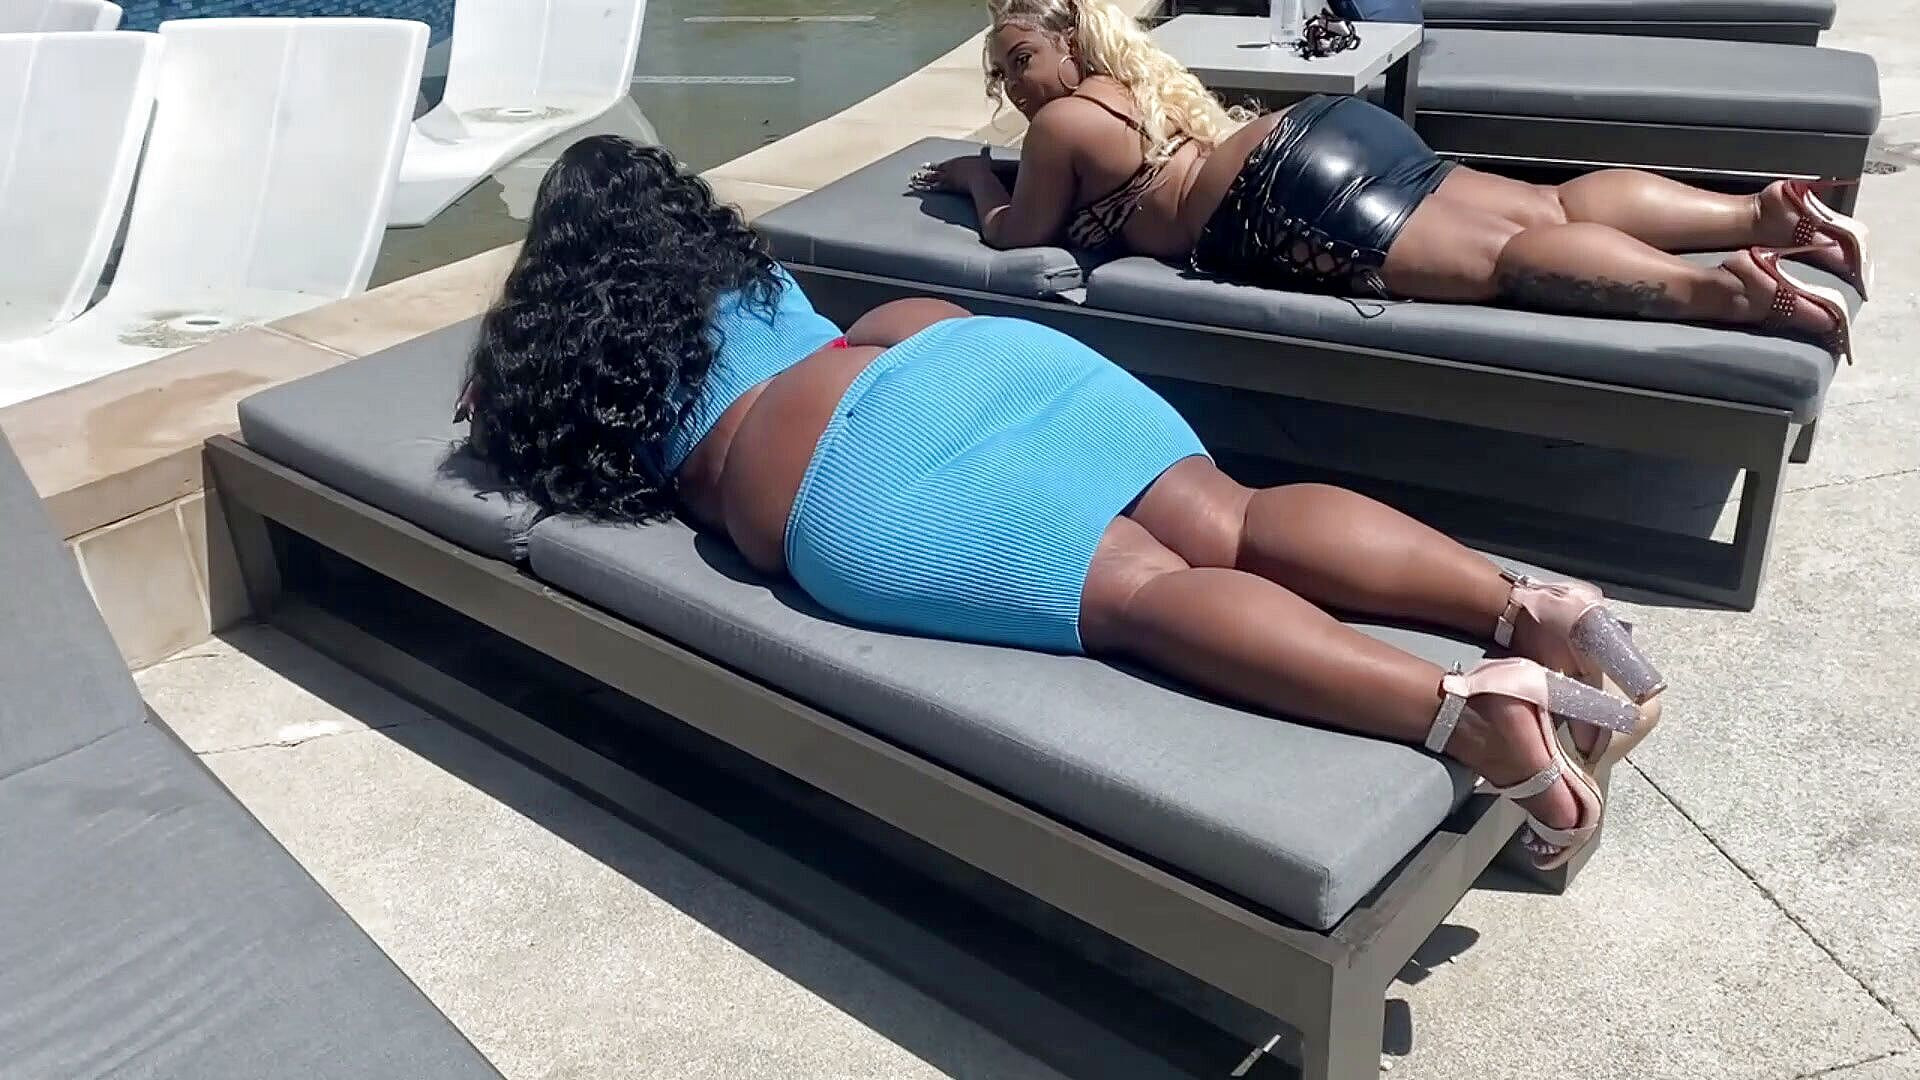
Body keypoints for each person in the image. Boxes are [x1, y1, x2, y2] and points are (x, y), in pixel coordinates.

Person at [465, 135, 1670, 870]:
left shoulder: (572, 355)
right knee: (1236, 517)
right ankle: (1530, 606)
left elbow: (522, 441)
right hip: (948, 350)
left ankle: (1461, 712)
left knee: (1147, 594)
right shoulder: (749, 271)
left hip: (839, 456)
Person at [914, 0, 1869, 361]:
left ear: (1068, 44)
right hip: (1325, 137)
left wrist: (974, 178)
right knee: (1550, 202)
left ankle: (1727, 293)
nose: (1014, 83)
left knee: (1510, 258)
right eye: (1001, 72)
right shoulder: (1134, 80)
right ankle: (1760, 211)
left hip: (1282, 197)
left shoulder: (1061, 125)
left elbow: (1019, 235)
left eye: (1020, 58)